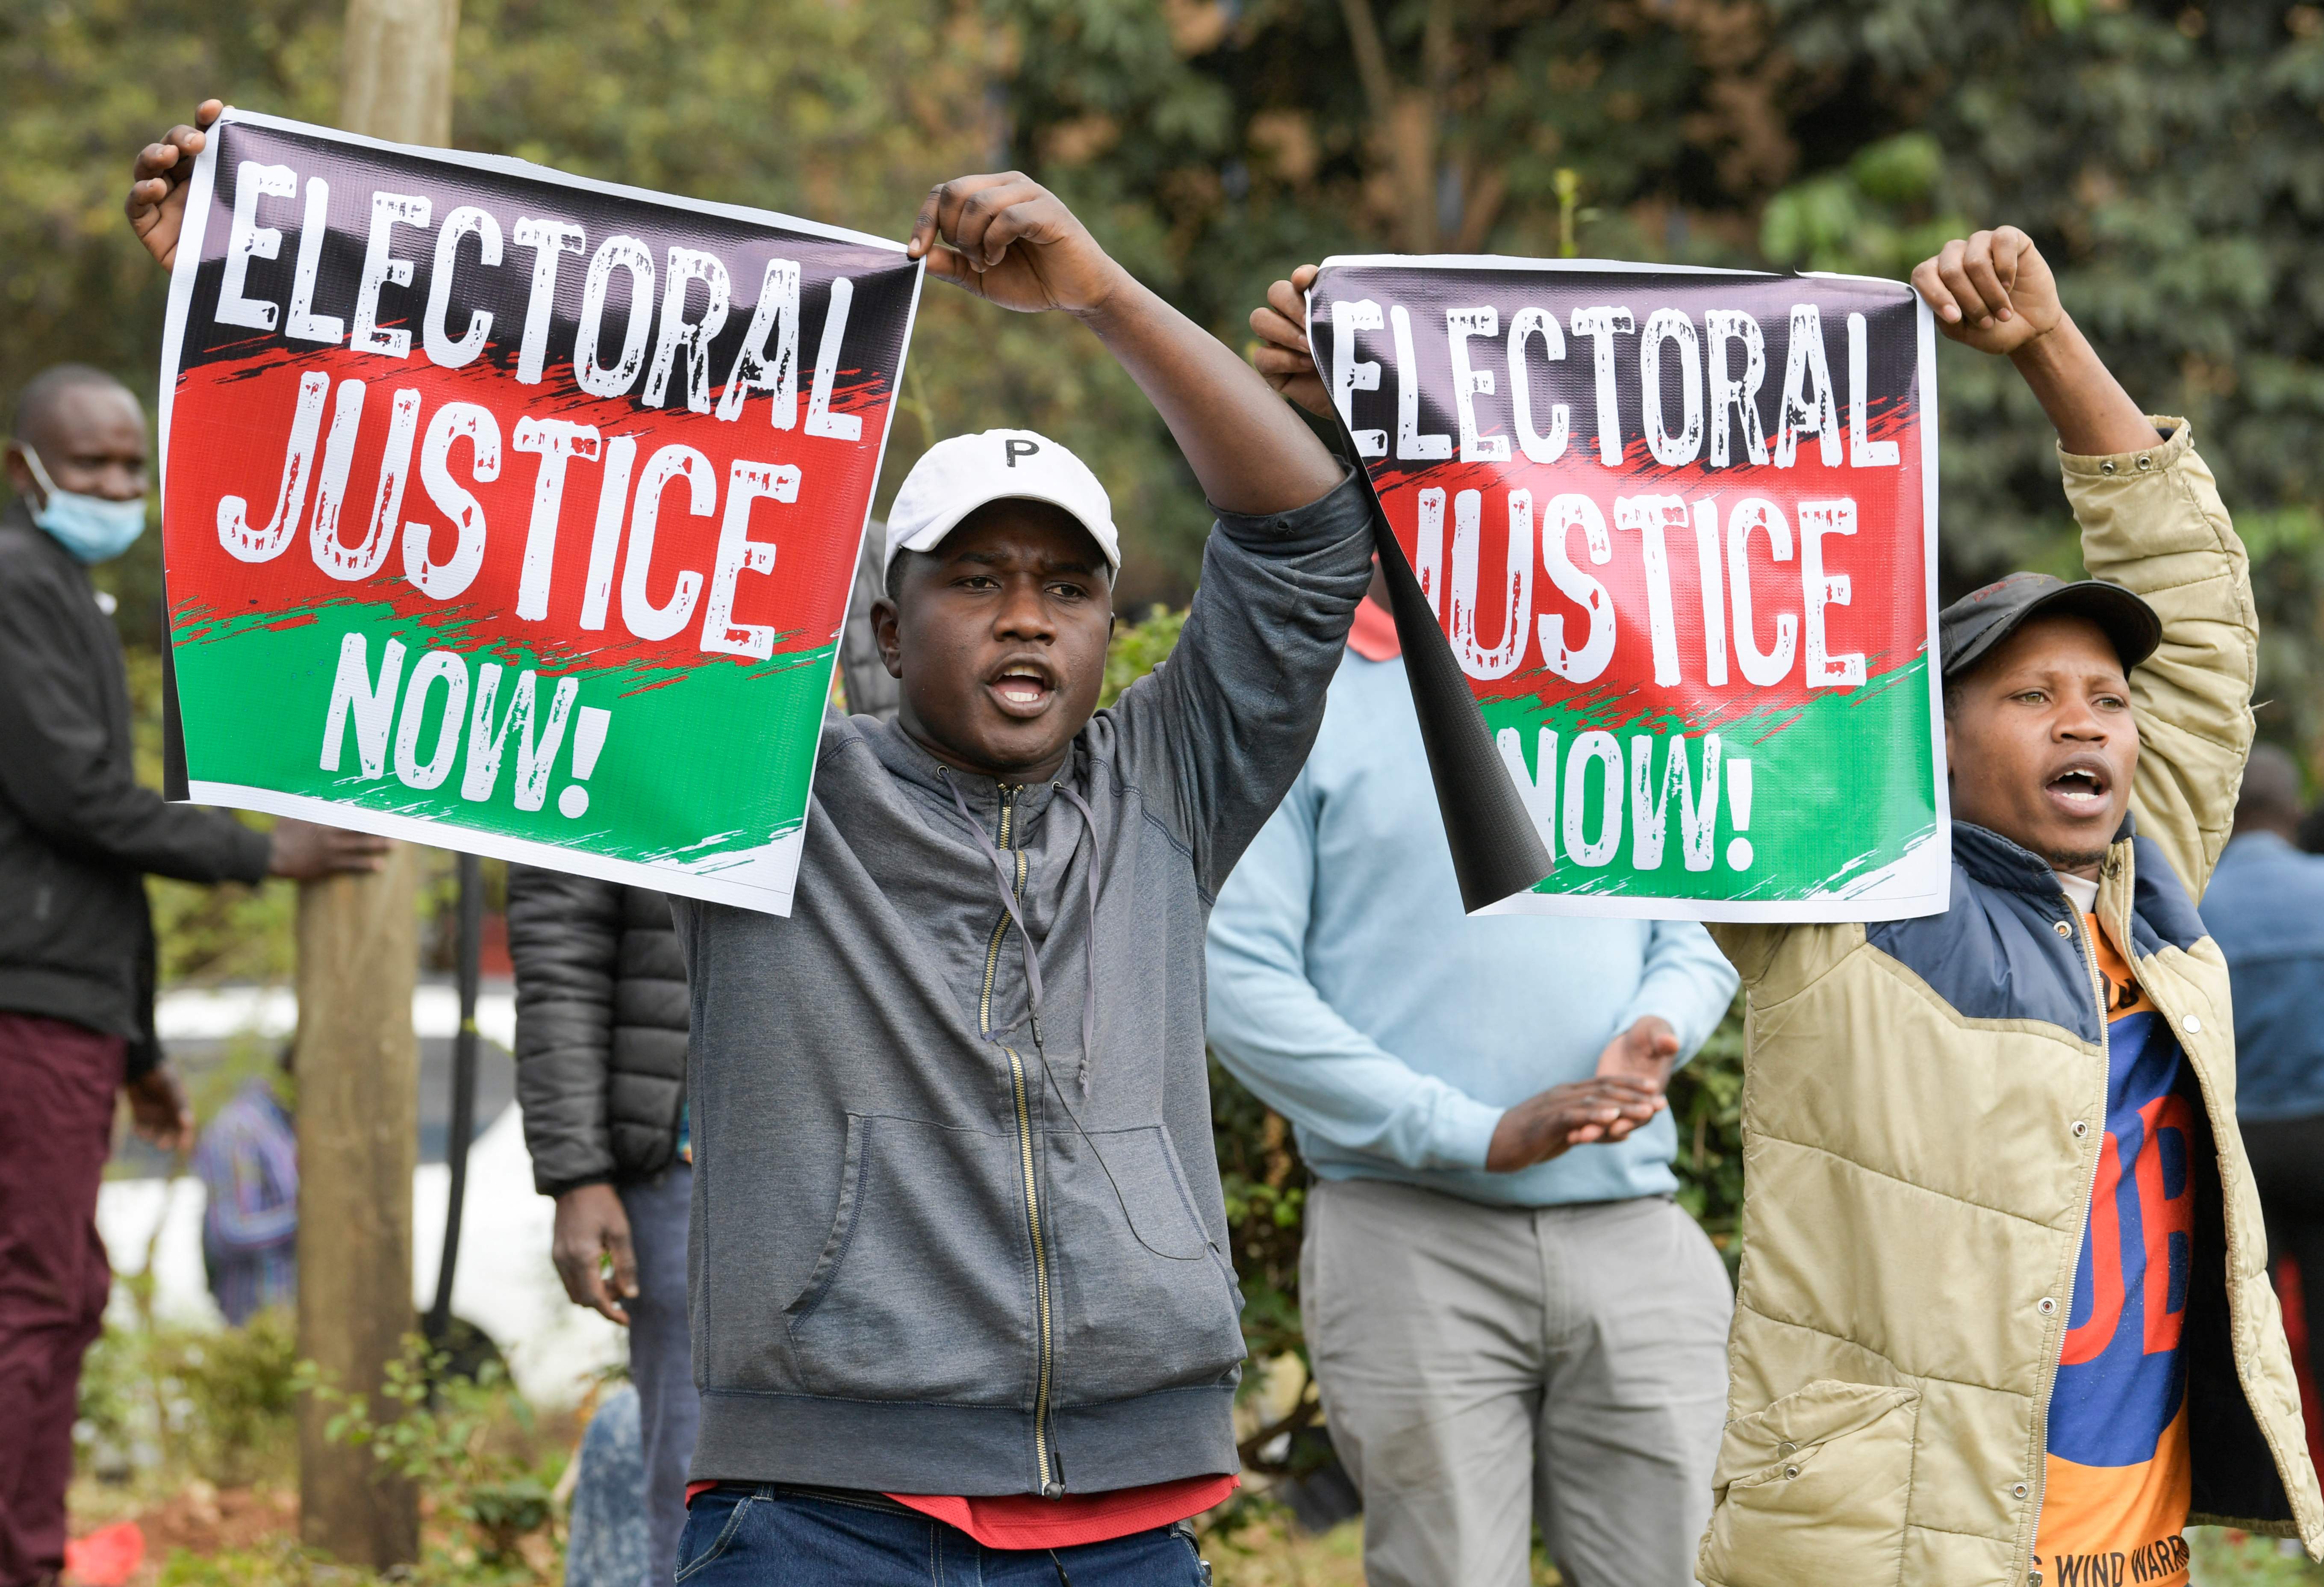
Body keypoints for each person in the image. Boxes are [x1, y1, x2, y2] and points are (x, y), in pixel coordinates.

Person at [127, 108, 1367, 1584]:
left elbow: (1299, 538)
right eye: (975, 578)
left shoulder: (1170, 783)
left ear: (1110, 628)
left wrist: (1096, 288)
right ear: (887, 632)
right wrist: (268, 279)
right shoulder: (763, 791)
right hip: (821, 1516)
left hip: (1131, 1519)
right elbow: (514, 538)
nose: (1026, 613)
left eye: (1066, 585)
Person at [1236, 221, 2324, 1584]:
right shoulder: (1841, 889)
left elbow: (2195, 602)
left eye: (2108, 698)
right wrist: (1374, 425)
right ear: (1921, 739)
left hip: (2129, 1548)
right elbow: (1614, 629)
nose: (2088, 723)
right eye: (2031, 694)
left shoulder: (2149, 868)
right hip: (1910, 1552)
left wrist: (2047, 343)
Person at [1204, 558, 1739, 1584]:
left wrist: (1656, 1023)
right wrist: (1468, 1132)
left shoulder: (1630, 678)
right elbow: (1238, 983)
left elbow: (1707, 910)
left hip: (1635, 1234)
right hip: (1408, 1237)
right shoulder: (1305, 699)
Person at [0, 360, 385, 1587]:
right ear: (28, 472)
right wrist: (263, 853)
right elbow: (82, 805)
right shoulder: (18, 585)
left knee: (64, 1292)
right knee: (39, 1295)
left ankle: (35, 1550)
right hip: (28, 1006)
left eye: (132, 465)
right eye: (97, 464)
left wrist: (141, 1053)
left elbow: (88, 861)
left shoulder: (67, 593)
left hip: (71, 1012)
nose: (120, 484)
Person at [508, 525, 895, 1587]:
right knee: (695, 1472)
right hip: (688, 1167)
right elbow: (559, 941)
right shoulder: (609, 599)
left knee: (892, 1485)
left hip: (881, 1143)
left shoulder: (877, 557)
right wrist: (578, 1172)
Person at [2200, 746, 2324, 1571]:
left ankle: (2255, 1531)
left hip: (2246, 1152)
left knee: (2248, 1348)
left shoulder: (2201, 897)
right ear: (2294, 814)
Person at [192, 1052, 299, 1326]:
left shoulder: (286, 1126)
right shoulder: (239, 1129)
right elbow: (230, 1232)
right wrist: (310, 1221)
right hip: (256, 1320)